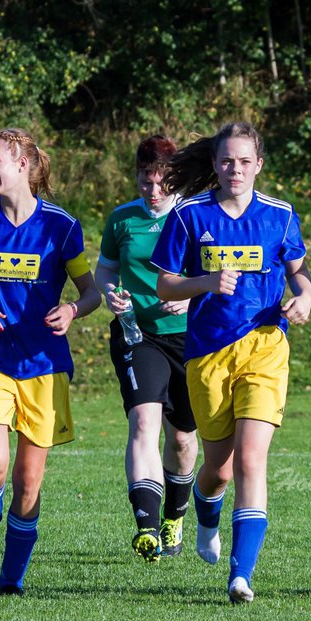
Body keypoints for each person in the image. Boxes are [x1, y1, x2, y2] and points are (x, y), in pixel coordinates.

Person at [151, 122, 311, 603]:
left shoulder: (280, 216)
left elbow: (300, 275)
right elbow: (165, 286)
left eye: (244, 161)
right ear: (215, 165)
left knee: (251, 459)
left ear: (259, 164)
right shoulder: (188, 215)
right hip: (207, 353)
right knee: (218, 468)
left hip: (265, 345)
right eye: (226, 161)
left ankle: (241, 575)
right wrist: (204, 283)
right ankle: (205, 512)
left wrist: (304, 298)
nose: (234, 169)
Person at [0, 127, 102, 595]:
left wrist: (74, 310)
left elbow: (90, 290)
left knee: (29, 483)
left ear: (22, 166)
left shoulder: (61, 226)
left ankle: (11, 582)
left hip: (44, 364)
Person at [94, 135, 198, 563]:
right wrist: (110, 295)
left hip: (192, 338)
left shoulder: (196, 217)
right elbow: (105, 271)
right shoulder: (122, 220)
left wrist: (192, 297)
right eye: (144, 180)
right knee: (143, 424)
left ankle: (175, 515)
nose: (153, 191)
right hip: (139, 336)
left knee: (184, 441)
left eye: (161, 182)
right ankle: (147, 528)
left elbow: (219, 276)